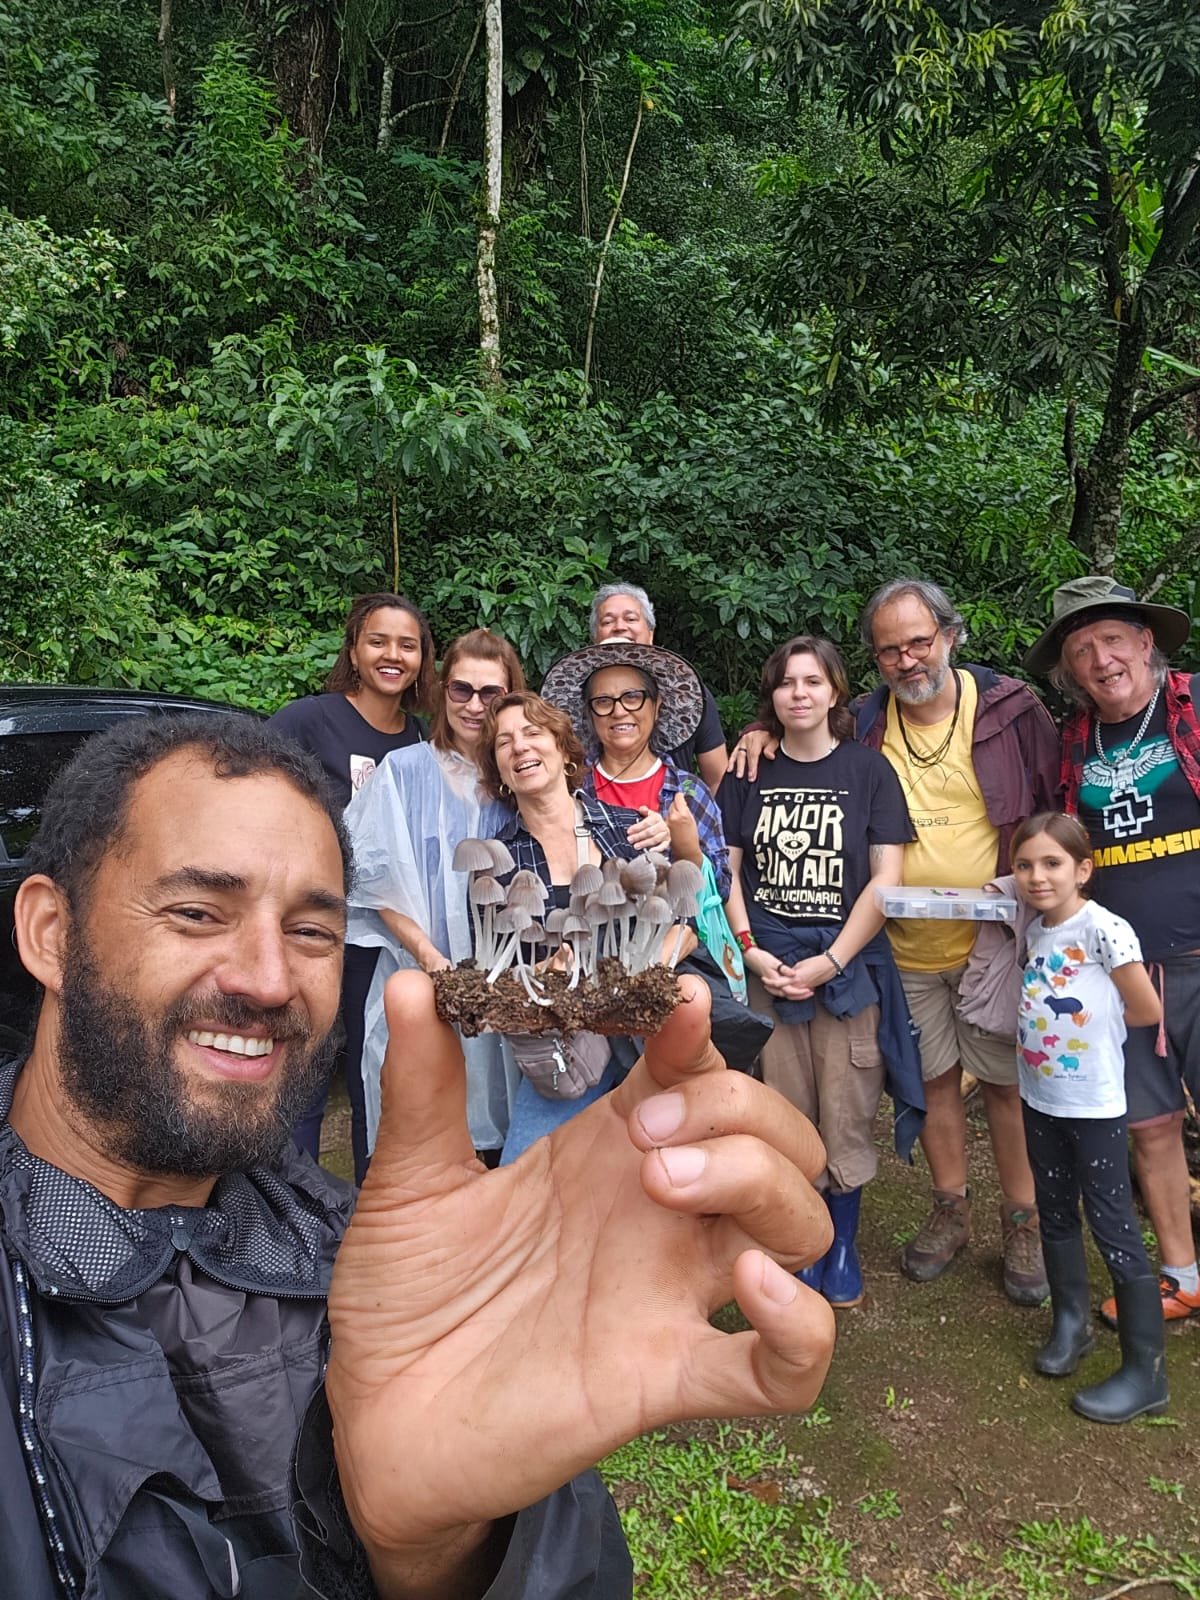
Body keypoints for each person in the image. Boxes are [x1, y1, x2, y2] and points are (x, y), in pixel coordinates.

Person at [0, 712, 837, 1598]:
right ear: (52, 931)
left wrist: (437, 1549)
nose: (270, 978)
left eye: (314, 932)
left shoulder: (391, 1273)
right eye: (198, 912)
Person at [730, 579, 1060, 1304]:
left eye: (918, 641)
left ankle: (1022, 1220)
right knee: (936, 1080)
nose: (907, 659)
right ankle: (950, 1209)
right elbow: (797, 729)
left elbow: (1053, 803)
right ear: (873, 663)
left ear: (949, 635)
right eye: (889, 649)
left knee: (1005, 1086)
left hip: (995, 941)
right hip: (903, 947)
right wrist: (757, 733)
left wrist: (1055, 903)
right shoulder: (870, 722)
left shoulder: (1009, 711)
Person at [719, 636, 920, 1309]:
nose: (798, 693)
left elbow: (886, 879)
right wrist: (751, 953)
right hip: (767, 966)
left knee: (847, 1107)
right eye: (785, 683)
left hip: (845, 971)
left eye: (812, 681)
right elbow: (730, 872)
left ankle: (840, 1246)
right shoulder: (748, 775)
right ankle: (797, 1243)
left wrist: (830, 960)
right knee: (781, 1114)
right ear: (771, 698)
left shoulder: (869, 773)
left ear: (836, 692)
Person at [1026, 574, 1200, 1328]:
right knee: (1150, 1126)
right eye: (1082, 650)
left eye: (1112, 640)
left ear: (1146, 643)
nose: (1101, 659)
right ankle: (1181, 1276)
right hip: (1118, 970)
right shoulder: (1074, 738)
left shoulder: (1194, 706)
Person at [268, 592, 435, 1181]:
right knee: (303, 1067)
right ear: (355, 650)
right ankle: (289, 1213)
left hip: (378, 934)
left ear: (422, 660)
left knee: (374, 1068)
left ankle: (366, 1204)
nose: (393, 655)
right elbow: (262, 804)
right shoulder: (308, 720)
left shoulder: (420, 744)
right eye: (379, 641)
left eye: (407, 645)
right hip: (308, 928)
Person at [342, 628, 525, 1161]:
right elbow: (375, 881)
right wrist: (430, 958)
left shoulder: (521, 779)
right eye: (461, 690)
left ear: (510, 696)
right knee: (419, 1138)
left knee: (500, 1140)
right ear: (442, 691)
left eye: (490, 693)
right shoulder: (403, 772)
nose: (474, 705)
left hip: (507, 991)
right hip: (420, 982)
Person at [1010, 812, 1166, 1422]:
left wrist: (1092, 1036)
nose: (1037, 877)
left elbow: (1146, 1008)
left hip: (1094, 1104)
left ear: (1083, 869)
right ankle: (1071, 1323)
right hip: (1038, 1097)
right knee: (1054, 1213)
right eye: (1025, 865)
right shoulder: (1036, 931)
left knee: (1113, 1225)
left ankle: (1145, 1371)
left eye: (1051, 864)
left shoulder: (1105, 930)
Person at [475, 692, 678, 1160]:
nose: (520, 748)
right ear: (500, 774)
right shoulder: (498, 860)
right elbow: (494, 969)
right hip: (569, 1051)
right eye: (504, 743)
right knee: (523, 1172)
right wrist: (547, 973)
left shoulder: (628, 827)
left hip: (650, 1037)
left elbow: (683, 920)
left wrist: (645, 976)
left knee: (668, 1175)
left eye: (532, 733)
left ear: (564, 750)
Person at [541, 634, 732, 919]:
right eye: (604, 701)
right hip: (585, 945)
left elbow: (721, 890)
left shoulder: (688, 792)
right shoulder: (570, 787)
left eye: (632, 697)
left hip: (674, 948)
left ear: (657, 706)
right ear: (589, 713)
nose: (619, 711)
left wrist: (685, 848)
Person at [589, 583, 728, 790]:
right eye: (608, 621)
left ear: (651, 633)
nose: (619, 626)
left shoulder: (689, 693)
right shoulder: (576, 693)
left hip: (674, 808)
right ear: (595, 637)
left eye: (631, 619)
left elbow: (717, 779)